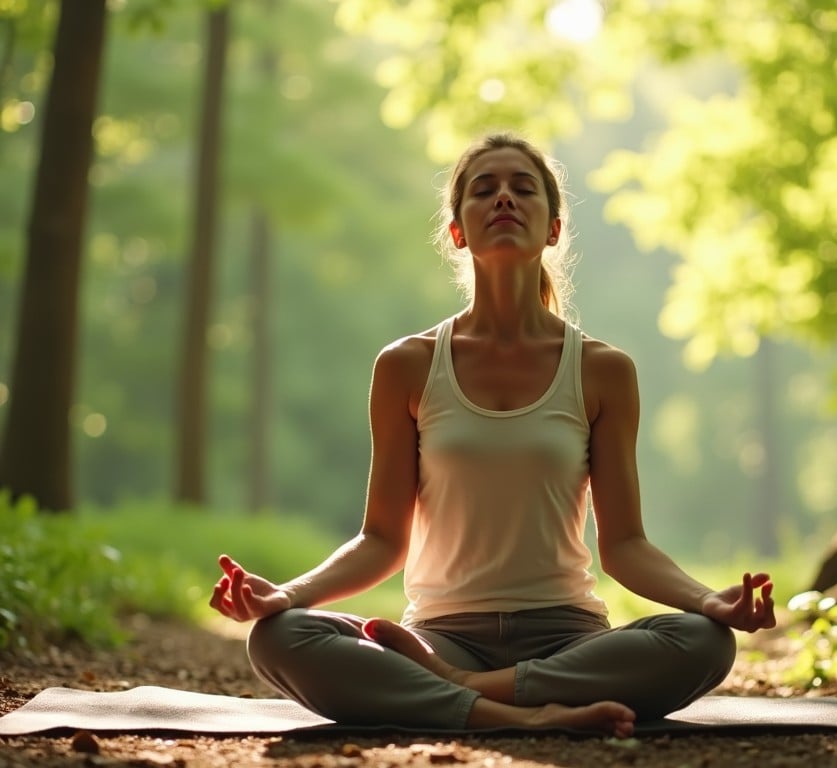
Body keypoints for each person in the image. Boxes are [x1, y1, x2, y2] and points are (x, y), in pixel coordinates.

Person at [209, 131, 776, 737]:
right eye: (484, 190)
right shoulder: (407, 365)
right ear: (458, 231)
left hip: (567, 640)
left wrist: (708, 602)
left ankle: (474, 699)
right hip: (442, 637)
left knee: (703, 640)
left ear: (553, 229)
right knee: (281, 637)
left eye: (522, 188)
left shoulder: (603, 370)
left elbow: (626, 547)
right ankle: (519, 714)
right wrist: (287, 595)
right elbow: (379, 539)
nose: (504, 198)